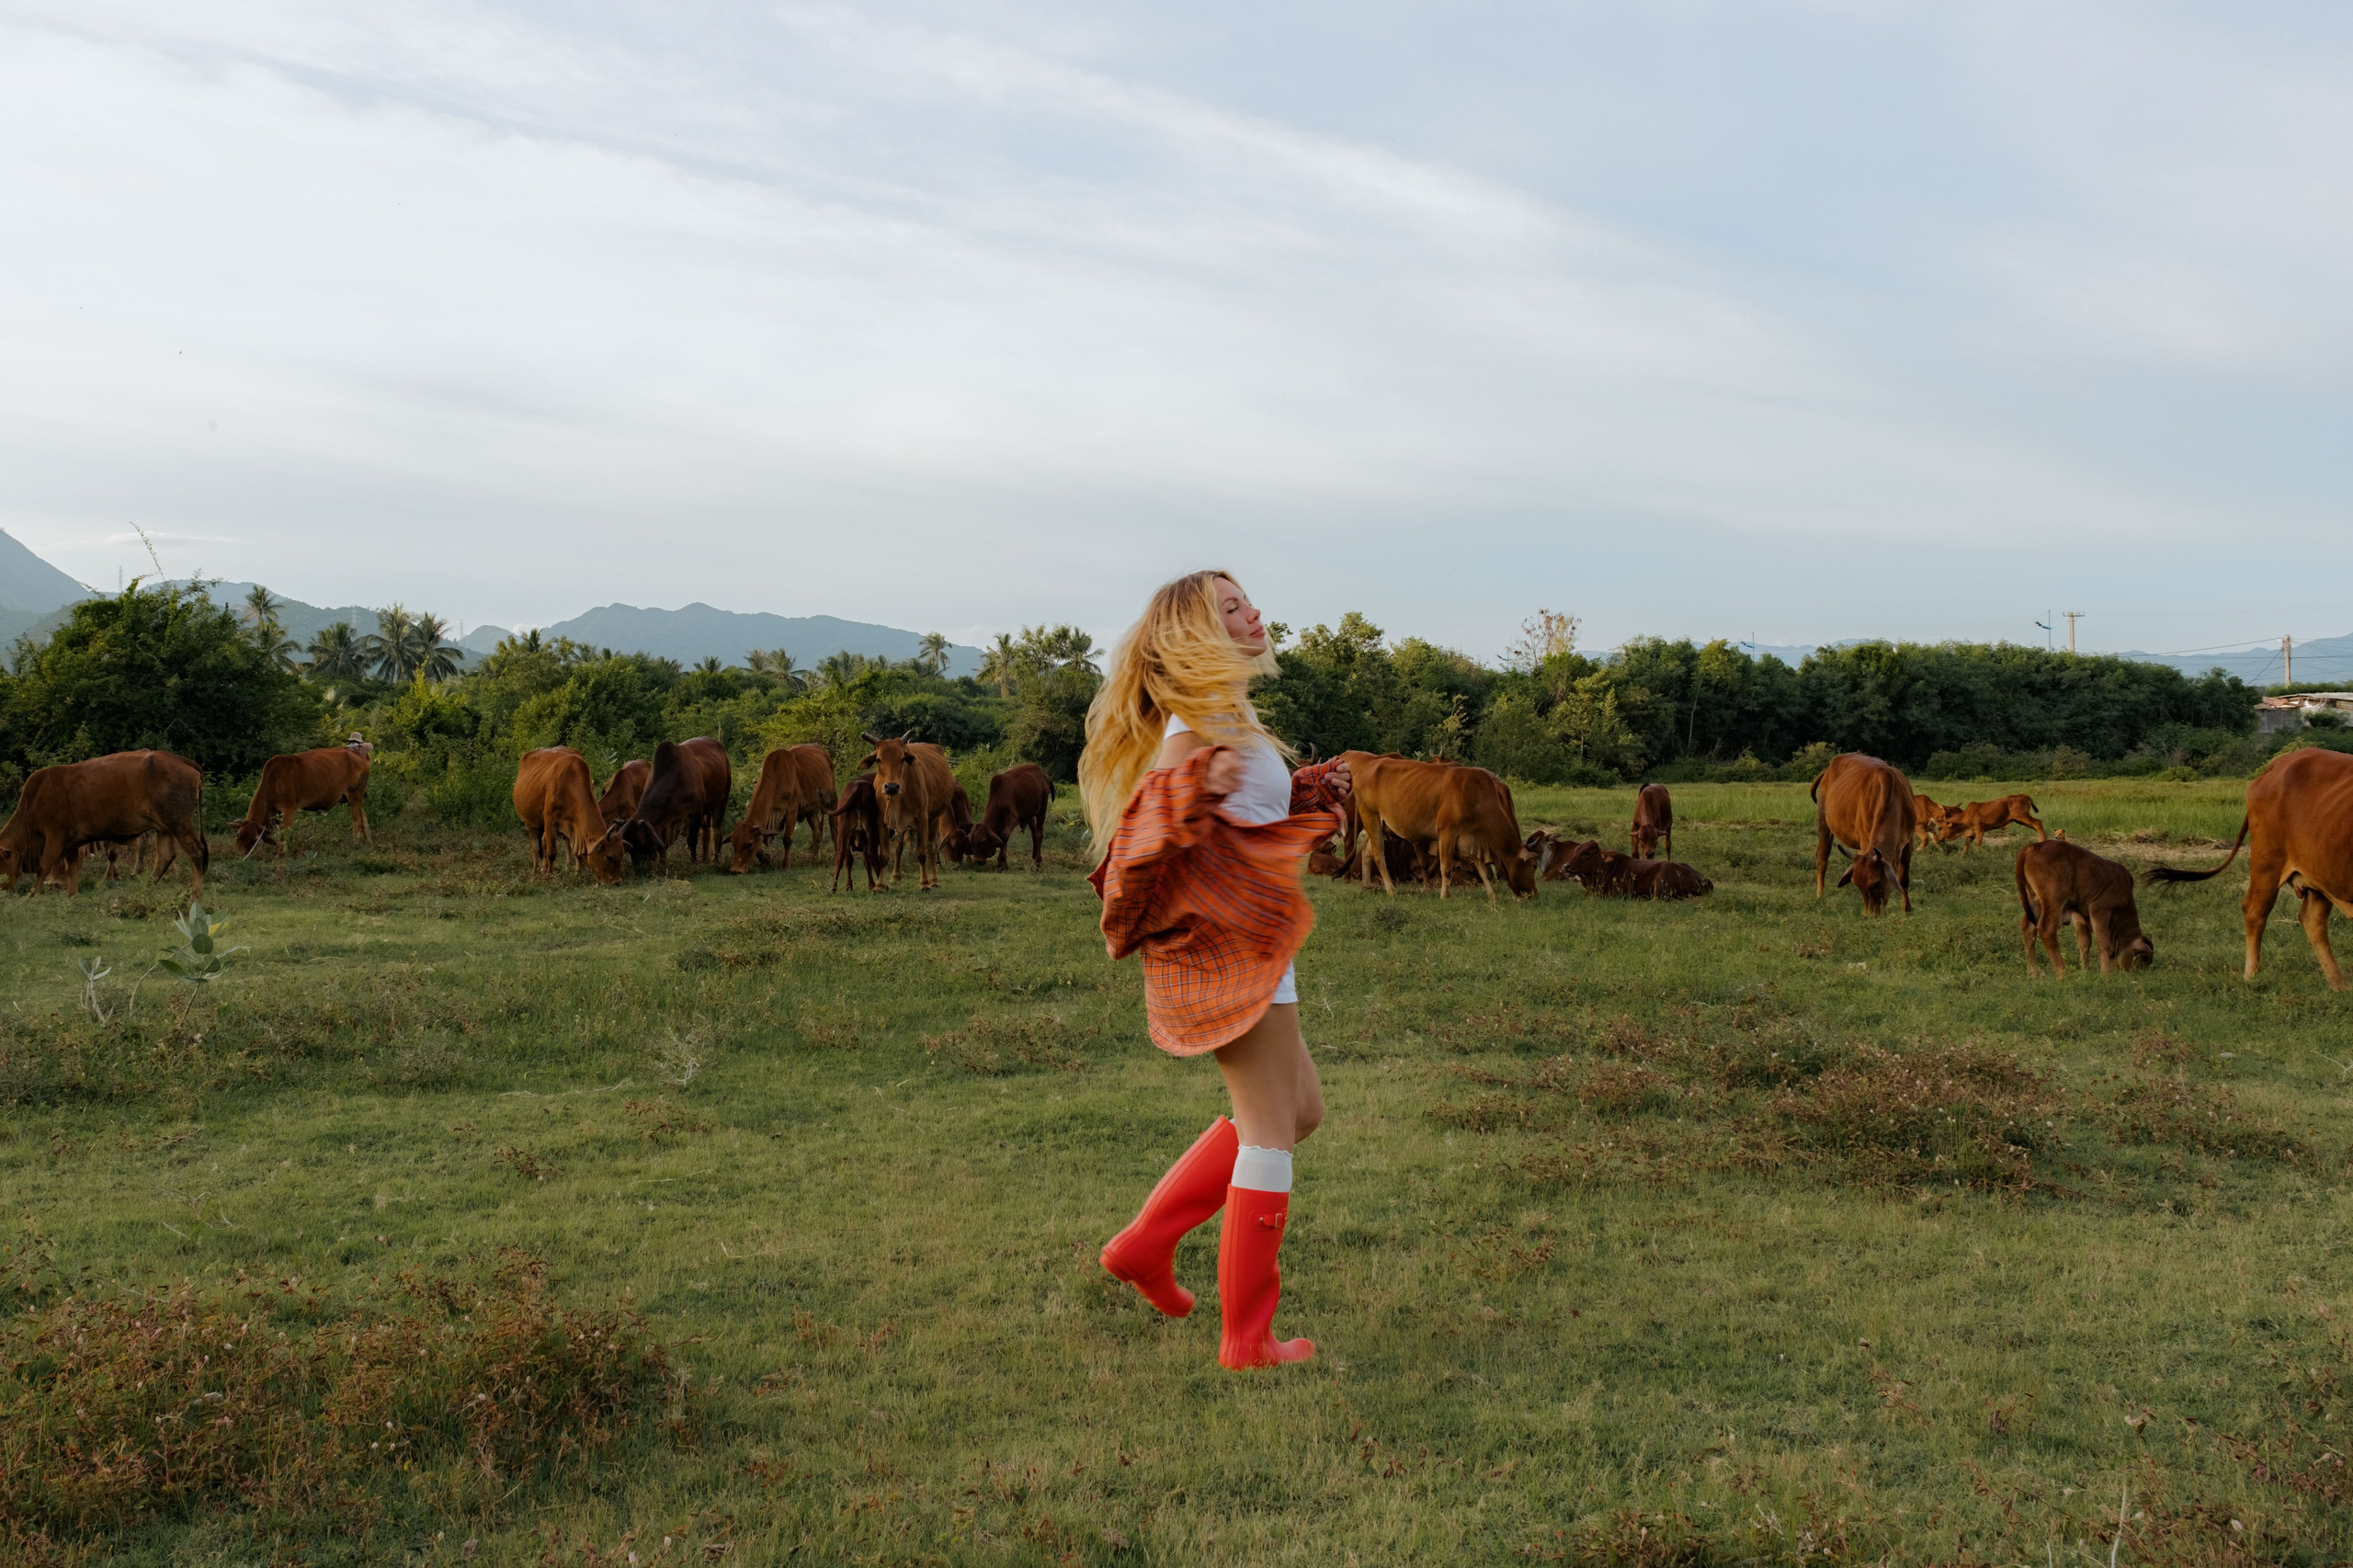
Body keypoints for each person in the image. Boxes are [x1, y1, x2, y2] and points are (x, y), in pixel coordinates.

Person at [1080, 570, 1351, 1369]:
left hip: (1258, 938)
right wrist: (1194, 783)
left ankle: (1145, 1245)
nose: (1253, 613)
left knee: (1299, 1110)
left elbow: (1241, 817)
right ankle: (1247, 1339)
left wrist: (1303, 792)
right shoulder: (1192, 727)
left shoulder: (1229, 718)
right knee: (1272, 1130)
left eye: (1248, 600)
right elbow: (1146, 827)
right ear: (1198, 629)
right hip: (1232, 950)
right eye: (1231, 608)